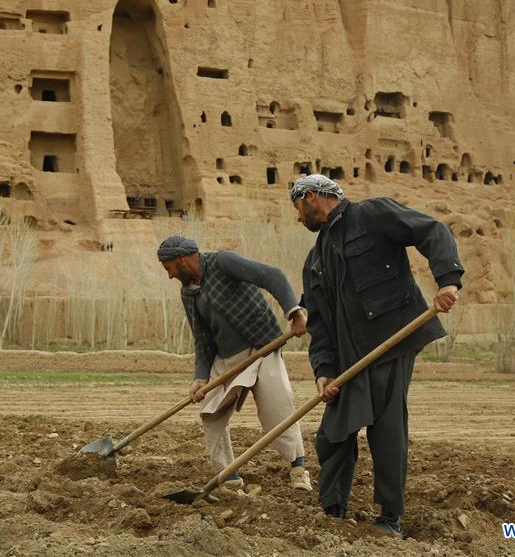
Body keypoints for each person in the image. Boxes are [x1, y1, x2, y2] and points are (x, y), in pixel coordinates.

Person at [290, 175, 463, 538]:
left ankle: (390, 517)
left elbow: (431, 231)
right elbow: (319, 324)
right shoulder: (315, 260)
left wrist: (447, 280)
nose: (297, 218)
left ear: (309, 197)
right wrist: (323, 371)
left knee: (385, 430)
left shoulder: (371, 214)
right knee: (332, 434)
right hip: (349, 358)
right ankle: (332, 511)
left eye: (297, 209)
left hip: (390, 341)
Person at [157, 235, 312, 492]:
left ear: (182, 260)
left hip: (262, 348)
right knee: (211, 414)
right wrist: (200, 378)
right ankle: (228, 478)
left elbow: (272, 276)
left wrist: (294, 313)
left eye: (170, 268)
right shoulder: (188, 293)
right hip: (226, 358)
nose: (170, 275)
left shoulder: (223, 262)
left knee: (279, 407)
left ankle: (298, 469)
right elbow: (203, 339)